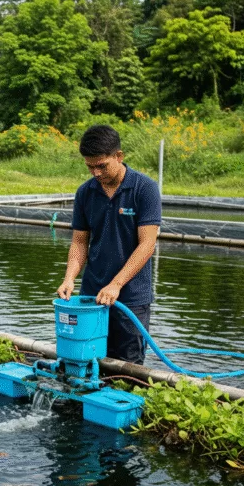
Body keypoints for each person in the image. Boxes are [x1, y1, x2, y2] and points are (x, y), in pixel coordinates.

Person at [56, 124, 161, 365]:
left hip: (131, 297)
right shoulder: (85, 193)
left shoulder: (144, 189)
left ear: (119, 156)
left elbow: (147, 244)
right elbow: (80, 242)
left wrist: (116, 284)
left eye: (101, 165)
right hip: (92, 295)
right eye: (89, 166)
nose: (95, 172)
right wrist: (70, 278)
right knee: (87, 360)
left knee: (127, 368)